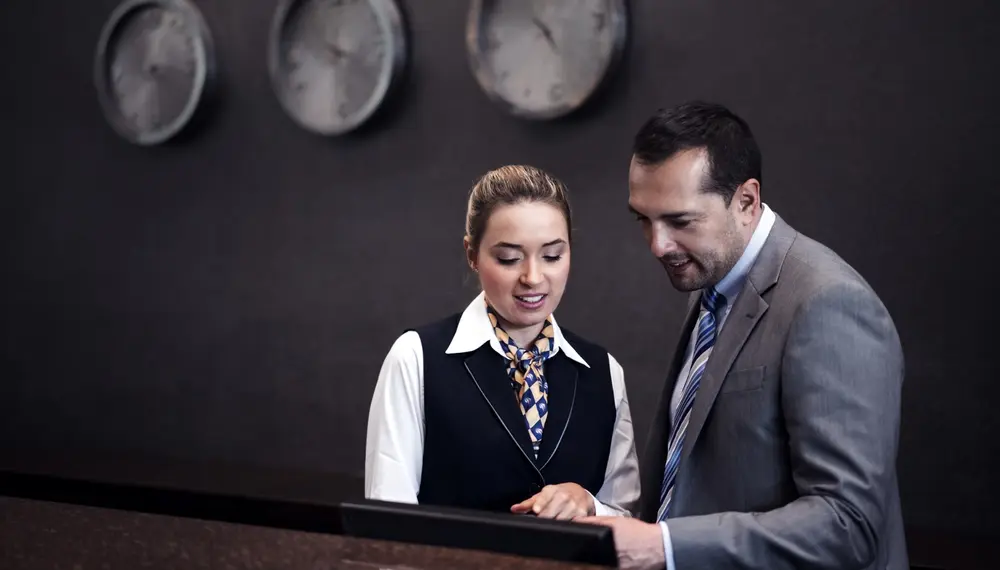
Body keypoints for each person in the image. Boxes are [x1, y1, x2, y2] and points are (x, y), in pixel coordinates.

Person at [578, 101, 908, 570]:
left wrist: (663, 547)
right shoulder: (713, 282)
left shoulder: (830, 304)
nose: (658, 245)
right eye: (643, 220)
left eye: (680, 221)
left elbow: (848, 524)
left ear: (747, 202)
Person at [364, 164, 640, 519]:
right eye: (509, 258)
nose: (534, 278)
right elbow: (388, 521)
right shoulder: (417, 359)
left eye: (553, 256)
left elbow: (627, 517)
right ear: (471, 255)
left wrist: (588, 501)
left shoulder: (604, 372)